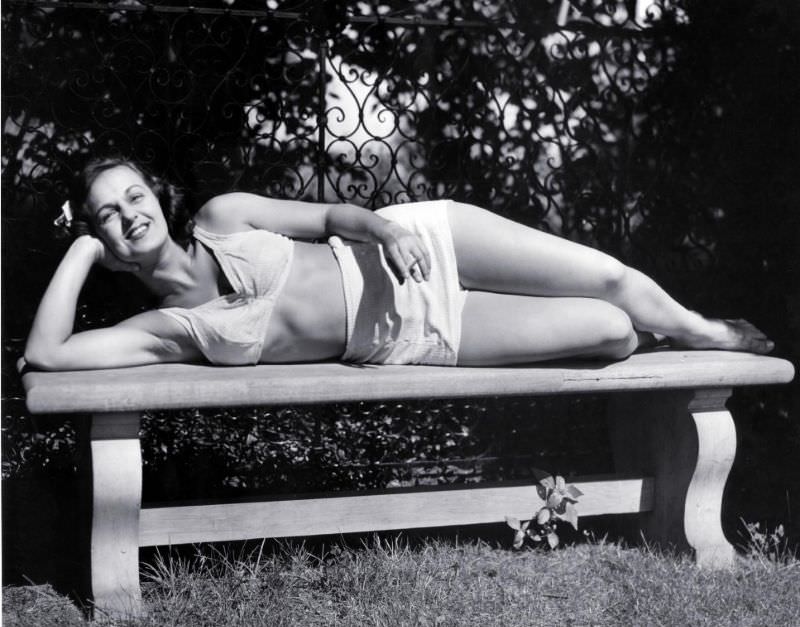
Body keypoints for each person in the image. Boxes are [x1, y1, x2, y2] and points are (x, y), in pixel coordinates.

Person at [24, 156, 773, 371]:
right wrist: (83, 247)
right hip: (416, 335)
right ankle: (664, 331)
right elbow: (46, 353)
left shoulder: (223, 215)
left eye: (133, 195)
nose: (129, 215)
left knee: (614, 278)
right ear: (109, 248)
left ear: (157, 191)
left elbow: (326, 217)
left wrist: (383, 230)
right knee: (613, 331)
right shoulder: (170, 327)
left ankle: (703, 330)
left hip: (420, 242)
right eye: (108, 216)